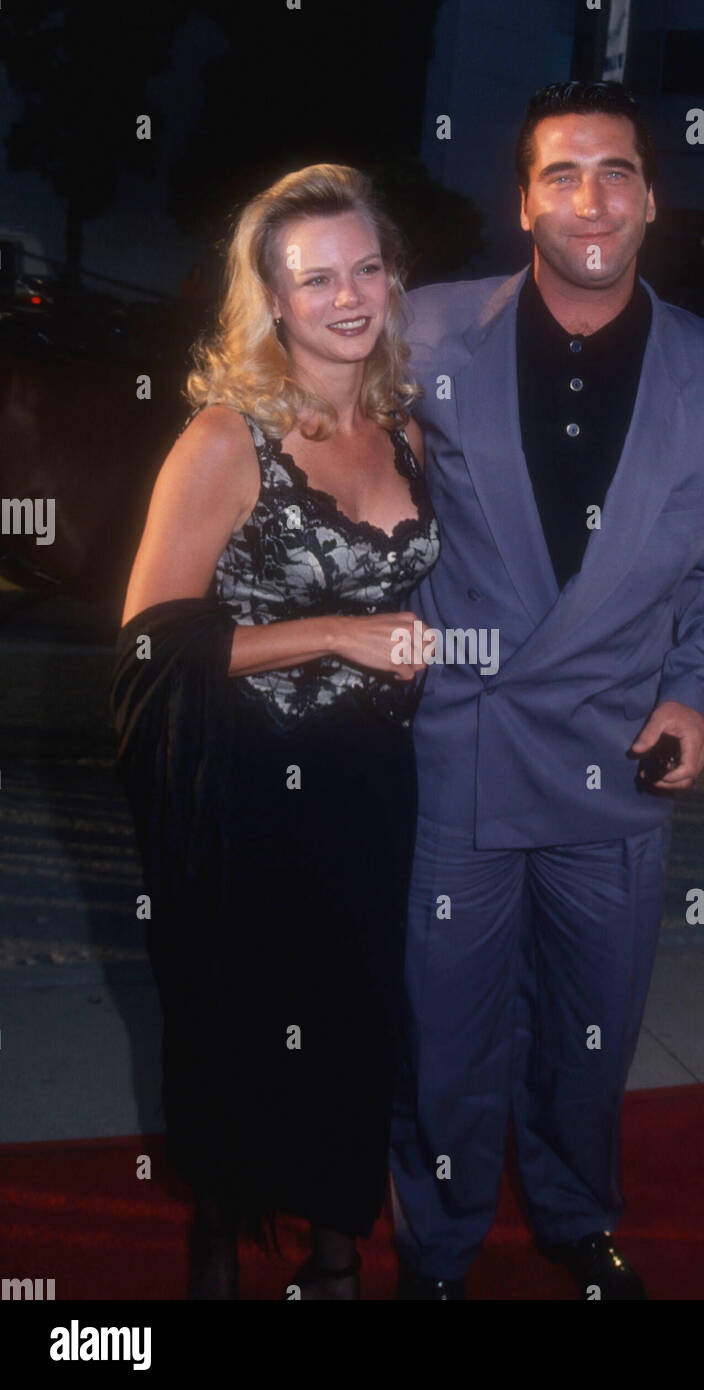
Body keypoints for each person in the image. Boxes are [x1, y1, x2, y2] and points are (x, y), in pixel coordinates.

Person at [389, 81, 704, 1299]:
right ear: (524, 202)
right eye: (562, 173)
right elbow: (324, 444)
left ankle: (571, 1213)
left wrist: (698, 700)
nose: (590, 197)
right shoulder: (423, 334)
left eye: (614, 170)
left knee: (589, 1033)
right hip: (465, 742)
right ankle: (441, 1248)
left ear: (651, 198)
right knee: (446, 1036)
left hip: (621, 758)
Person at [110, 164, 439, 1301]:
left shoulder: (406, 431)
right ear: (274, 299)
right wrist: (336, 632)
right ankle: (221, 1241)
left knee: (352, 1022)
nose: (348, 296)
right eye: (316, 279)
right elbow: (151, 648)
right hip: (251, 793)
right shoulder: (225, 438)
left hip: (371, 790)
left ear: (392, 278)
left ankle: (336, 1245)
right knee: (242, 1031)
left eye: (366, 267)